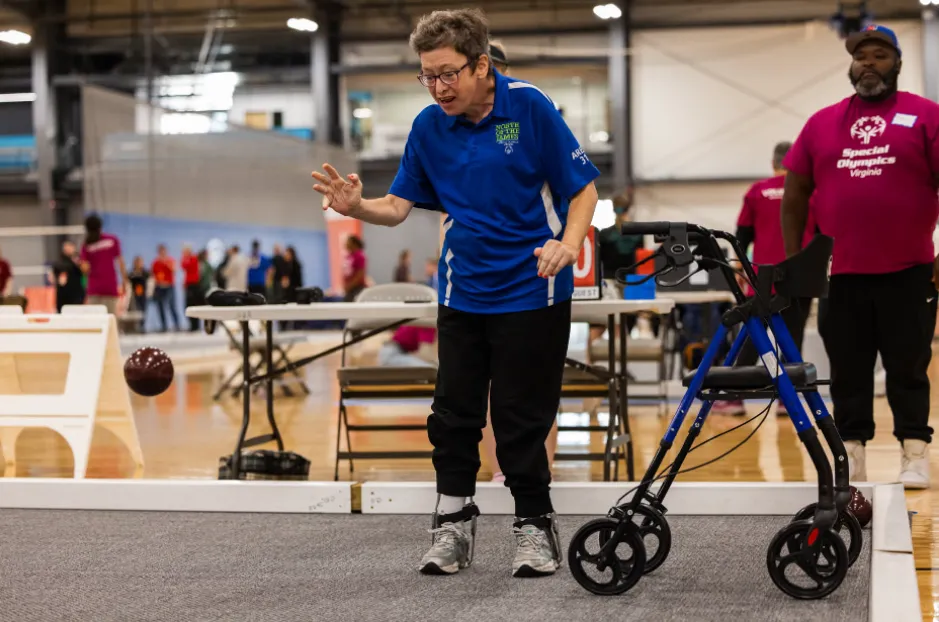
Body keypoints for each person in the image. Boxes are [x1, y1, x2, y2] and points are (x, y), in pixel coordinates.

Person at [312, 8, 599, 578]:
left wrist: (567, 243)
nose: (438, 87)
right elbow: (396, 207)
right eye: (427, 75)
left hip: (532, 289)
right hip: (462, 289)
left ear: (481, 65)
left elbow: (583, 188)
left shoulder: (530, 106)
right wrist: (356, 208)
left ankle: (534, 526)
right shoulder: (427, 126)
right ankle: (452, 526)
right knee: (453, 414)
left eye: (447, 74)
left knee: (520, 416)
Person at [780, 25, 939, 489]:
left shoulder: (925, 115)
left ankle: (915, 451)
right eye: (861, 56)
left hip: (908, 270)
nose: (868, 62)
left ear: (897, 64)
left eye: (879, 55)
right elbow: (795, 195)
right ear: (851, 67)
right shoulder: (821, 123)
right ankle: (852, 452)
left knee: (908, 366)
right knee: (847, 368)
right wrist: (796, 263)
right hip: (841, 273)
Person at [713, 141, 818, 416]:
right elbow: (822, 234)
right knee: (792, 339)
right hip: (802, 276)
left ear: (773, 163)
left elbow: (742, 235)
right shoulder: (810, 191)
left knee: (753, 336)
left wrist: (739, 269)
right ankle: (788, 399)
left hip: (764, 277)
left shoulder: (758, 191)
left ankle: (734, 397)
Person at [79, 215, 126, 314]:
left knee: (95, 321)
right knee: (111, 320)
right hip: (110, 285)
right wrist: (124, 281)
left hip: (94, 287)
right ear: (100, 226)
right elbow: (120, 262)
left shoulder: (86, 245)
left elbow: (85, 269)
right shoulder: (112, 240)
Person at [151, 245, 180, 332]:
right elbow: (153, 275)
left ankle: (176, 325)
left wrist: (166, 263)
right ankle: (164, 326)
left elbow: (174, 270)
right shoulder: (155, 262)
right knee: (160, 307)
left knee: (172, 306)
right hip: (160, 286)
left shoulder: (170, 260)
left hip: (169, 286)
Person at [51, 240, 85, 312]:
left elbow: (84, 271)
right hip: (63, 295)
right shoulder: (59, 264)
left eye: (71, 247)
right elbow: (53, 277)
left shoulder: (78, 261)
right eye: (67, 247)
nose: (69, 249)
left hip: (76, 294)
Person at [181, 245, 202, 331]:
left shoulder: (193, 258)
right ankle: (192, 324)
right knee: (188, 305)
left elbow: (185, 266)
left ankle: (195, 325)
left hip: (194, 285)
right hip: (189, 285)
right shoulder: (188, 259)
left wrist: (185, 257)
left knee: (193, 304)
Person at [343, 235, 367, 301]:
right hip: (349, 288)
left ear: (354, 243)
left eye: (348, 242)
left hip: (357, 287)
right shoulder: (349, 256)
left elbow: (360, 273)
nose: (346, 244)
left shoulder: (360, 256)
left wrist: (350, 285)